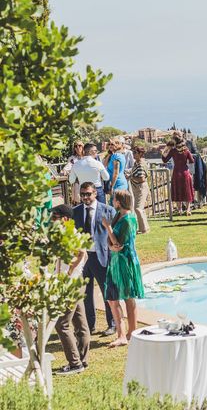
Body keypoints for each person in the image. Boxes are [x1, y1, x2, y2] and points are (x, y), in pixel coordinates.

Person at [101, 190, 145, 347]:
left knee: (128, 296)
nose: (112, 201)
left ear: (119, 202)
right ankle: (123, 333)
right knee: (112, 297)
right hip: (115, 260)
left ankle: (132, 332)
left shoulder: (128, 219)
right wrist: (110, 246)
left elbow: (119, 244)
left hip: (125, 261)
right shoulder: (118, 215)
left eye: (114, 199)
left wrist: (107, 227)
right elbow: (111, 243)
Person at [73, 182, 117, 335]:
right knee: (85, 293)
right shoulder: (75, 212)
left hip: (101, 256)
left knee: (107, 291)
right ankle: (89, 325)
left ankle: (112, 324)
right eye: (83, 194)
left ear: (95, 193)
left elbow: (115, 234)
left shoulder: (107, 210)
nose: (85, 197)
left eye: (88, 194)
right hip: (83, 257)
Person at [51, 204, 90, 375]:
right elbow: (85, 255)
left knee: (62, 324)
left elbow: (82, 253)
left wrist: (70, 271)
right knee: (80, 323)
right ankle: (82, 359)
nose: (52, 222)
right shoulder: (71, 233)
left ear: (64, 219)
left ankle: (75, 364)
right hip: (77, 283)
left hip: (71, 285)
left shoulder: (69, 233)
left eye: (54, 218)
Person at [161, 137, 195, 216]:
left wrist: (165, 150)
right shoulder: (186, 151)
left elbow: (164, 160)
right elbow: (192, 160)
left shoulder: (173, 151)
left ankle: (179, 210)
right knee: (187, 191)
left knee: (177, 191)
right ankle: (188, 209)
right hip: (185, 172)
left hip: (176, 172)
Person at [129, 146, 150, 234]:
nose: (133, 154)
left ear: (140, 154)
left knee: (138, 208)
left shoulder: (140, 164)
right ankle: (144, 227)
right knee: (139, 208)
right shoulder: (137, 163)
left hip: (140, 187)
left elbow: (142, 179)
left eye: (135, 153)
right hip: (138, 187)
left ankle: (144, 229)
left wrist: (131, 177)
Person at [104, 138, 129, 202]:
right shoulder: (116, 155)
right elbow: (104, 165)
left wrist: (111, 186)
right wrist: (109, 153)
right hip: (118, 183)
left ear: (117, 145)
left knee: (116, 206)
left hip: (118, 184)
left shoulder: (116, 156)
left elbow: (116, 173)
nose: (110, 146)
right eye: (109, 144)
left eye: (112, 144)